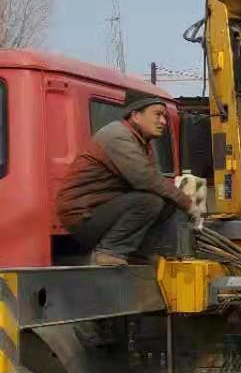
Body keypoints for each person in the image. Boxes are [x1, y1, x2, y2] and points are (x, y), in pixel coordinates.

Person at [56, 91, 202, 266]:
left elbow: (156, 181)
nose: (163, 121)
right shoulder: (116, 135)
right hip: (83, 214)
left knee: (167, 201)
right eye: (157, 115)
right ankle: (109, 252)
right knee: (150, 201)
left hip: (103, 208)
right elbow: (145, 178)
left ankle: (138, 255)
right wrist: (189, 204)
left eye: (164, 116)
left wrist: (181, 201)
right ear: (136, 115)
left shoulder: (143, 143)